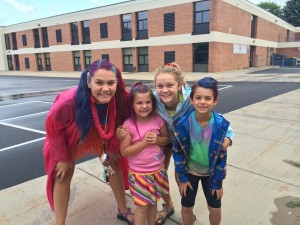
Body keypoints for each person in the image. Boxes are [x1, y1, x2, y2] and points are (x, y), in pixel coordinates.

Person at [43, 59, 134, 225]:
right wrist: (63, 158)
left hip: (102, 137)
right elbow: (53, 130)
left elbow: (127, 118)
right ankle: (59, 223)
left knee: (111, 164)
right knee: (63, 174)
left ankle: (123, 210)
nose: (105, 89)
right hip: (69, 139)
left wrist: (113, 147)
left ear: (117, 82)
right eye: (99, 82)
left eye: (110, 83)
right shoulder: (68, 102)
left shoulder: (121, 98)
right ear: (88, 81)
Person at [172, 77, 234, 225]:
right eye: (198, 97)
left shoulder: (220, 124)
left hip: (211, 175)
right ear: (191, 100)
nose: (202, 101)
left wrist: (227, 142)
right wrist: (182, 178)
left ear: (215, 101)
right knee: (186, 207)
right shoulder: (182, 123)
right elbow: (178, 153)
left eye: (208, 98)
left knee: (215, 209)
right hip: (189, 173)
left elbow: (228, 140)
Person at [120, 82, 170, 225]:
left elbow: (166, 140)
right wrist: (144, 143)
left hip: (157, 171)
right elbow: (124, 151)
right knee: (142, 208)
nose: (144, 106)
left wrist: (158, 139)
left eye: (148, 102)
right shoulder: (128, 125)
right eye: (139, 102)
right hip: (140, 174)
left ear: (153, 103)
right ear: (132, 105)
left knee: (153, 203)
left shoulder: (158, 120)